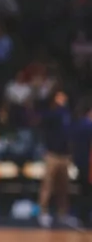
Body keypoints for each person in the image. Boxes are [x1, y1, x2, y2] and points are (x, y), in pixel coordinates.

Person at [39, 91, 78, 229]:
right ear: (54, 99)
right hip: (52, 155)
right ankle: (43, 213)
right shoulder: (52, 114)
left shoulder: (68, 115)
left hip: (65, 155)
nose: (63, 99)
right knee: (47, 185)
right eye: (59, 97)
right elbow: (45, 124)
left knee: (64, 187)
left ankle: (63, 214)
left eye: (64, 96)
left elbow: (70, 135)